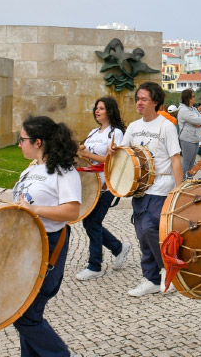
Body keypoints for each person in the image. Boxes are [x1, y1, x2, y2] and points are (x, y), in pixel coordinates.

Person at [11, 115, 81, 356]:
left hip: (47, 247)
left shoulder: (64, 171)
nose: (19, 144)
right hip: (24, 247)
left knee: (24, 315)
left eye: (22, 139)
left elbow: (72, 210)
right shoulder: (30, 170)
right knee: (28, 314)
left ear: (38, 142)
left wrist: (35, 210)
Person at [115, 82, 183, 297]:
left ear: (156, 102)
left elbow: (175, 159)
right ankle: (151, 278)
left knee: (149, 228)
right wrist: (114, 150)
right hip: (140, 188)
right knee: (141, 234)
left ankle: (168, 268)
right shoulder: (134, 127)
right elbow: (124, 154)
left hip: (161, 186)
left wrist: (178, 190)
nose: (139, 103)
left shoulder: (167, 126)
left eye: (144, 99)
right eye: (138, 99)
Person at [75, 97, 131, 281]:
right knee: (91, 222)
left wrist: (86, 153)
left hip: (106, 184)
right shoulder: (93, 132)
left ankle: (95, 265)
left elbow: (113, 160)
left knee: (92, 222)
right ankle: (117, 248)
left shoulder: (116, 134)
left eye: (101, 108)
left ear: (110, 111)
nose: (97, 111)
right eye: (96, 108)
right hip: (91, 185)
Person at [178, 89, 201, 176]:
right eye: (193, 96)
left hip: (195, 139)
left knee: (192, 162)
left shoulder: (193, 109)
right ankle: (182, 181)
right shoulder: (183, 110)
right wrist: (200, 121)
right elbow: (197, 120)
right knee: (187, 161)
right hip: (187, 139)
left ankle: (189, 180)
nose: (194, 98)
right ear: (188, 98)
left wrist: (200, 122)